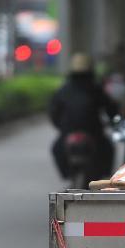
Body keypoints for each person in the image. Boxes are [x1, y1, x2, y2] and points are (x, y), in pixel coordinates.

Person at [49, 52, 119, 181]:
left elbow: (54, 113)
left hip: (68, 131)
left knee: (56, 148)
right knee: (108, 148)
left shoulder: (63, 90)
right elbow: (110, 109)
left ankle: (67, 174)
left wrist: (61, 127)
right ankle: (105, 175)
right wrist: (114, 121)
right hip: (93, 132)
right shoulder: (96, 89)